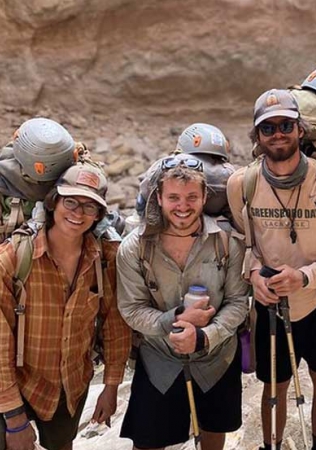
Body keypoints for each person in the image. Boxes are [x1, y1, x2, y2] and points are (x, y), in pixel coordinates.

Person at [227, 89, 316, 450]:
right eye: (268, 128)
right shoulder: (243, 184)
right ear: (257, 137)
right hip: (270, 302)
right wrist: (254, 276)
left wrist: (304, 276)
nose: (278, 133)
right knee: (274, 385)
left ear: (300, 129)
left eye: (286, 124)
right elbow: (243, 242)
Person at [0, 162, 132, 450]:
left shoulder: (105, 259)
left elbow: (114, 324)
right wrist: (14, 419)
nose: (78, 213)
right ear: (53, 202)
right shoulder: (7, 260)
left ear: (98, 216)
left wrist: (110, 388)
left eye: (89, 207)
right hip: (16, 381)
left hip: (70, 386)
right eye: (70, 201)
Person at [116, 154, 249, 450]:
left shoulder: (227, 242)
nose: (183, 206)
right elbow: (131, 308)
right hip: (159, 361)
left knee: (213, 436)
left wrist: (203, 337)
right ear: (159, 198)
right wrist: (177, 320)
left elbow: (239, 302)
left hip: (217, 358)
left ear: (204, 197)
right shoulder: (134, 248)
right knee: (148, 442)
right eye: (173, 197)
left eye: (191, 197)